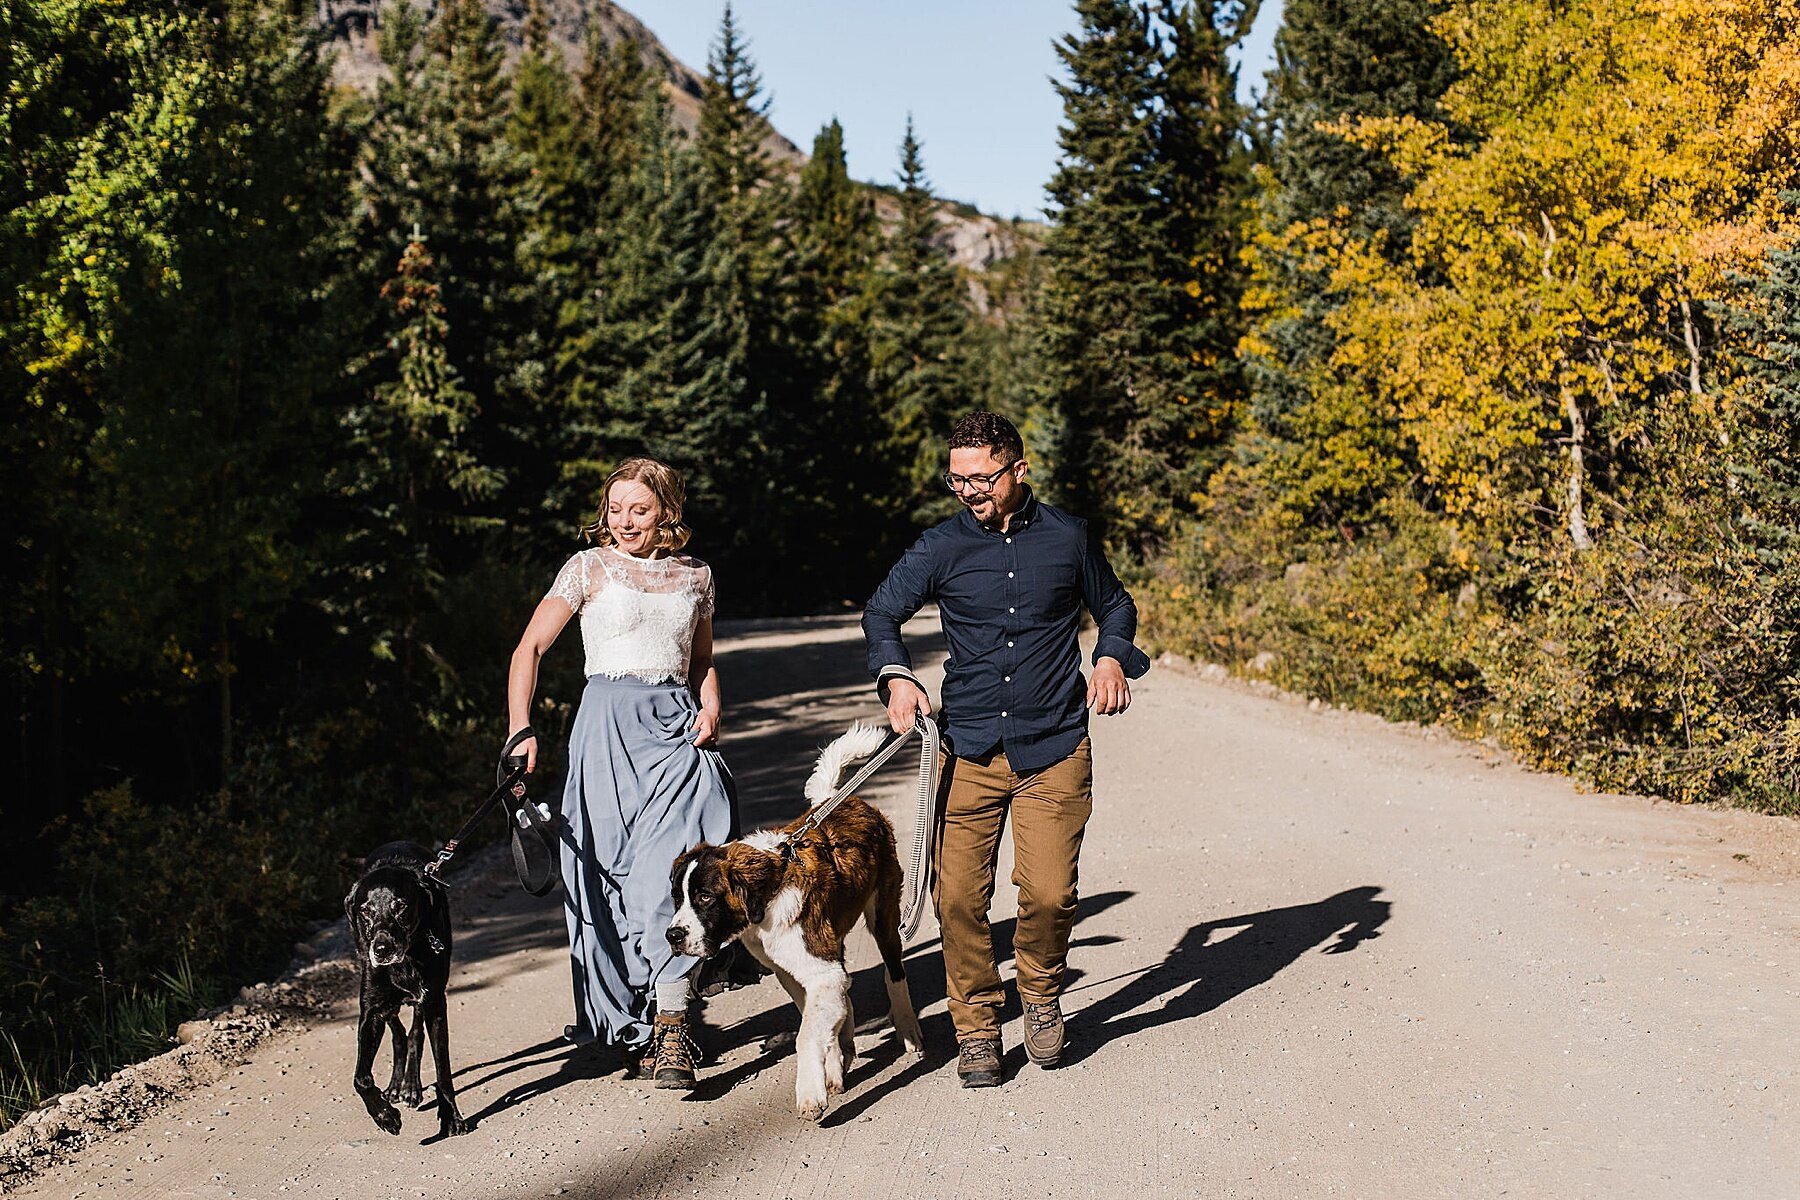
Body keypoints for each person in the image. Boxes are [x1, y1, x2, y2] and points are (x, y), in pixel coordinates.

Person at [862, 411, 1149, 1087]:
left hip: (1053, 744)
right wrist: (897, 675)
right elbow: (881, 613)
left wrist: (1110, 659)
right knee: (958, 899)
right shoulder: (939, 547)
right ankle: (977, 1028)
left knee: (1049, 893)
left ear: (1019, 470)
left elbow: (1116, 605)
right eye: (957, 479)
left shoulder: (1069, 537)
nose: (968, 491)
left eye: (982, 477)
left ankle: (1042, 997)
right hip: (967, 750)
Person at [507, 457, 731, 1090]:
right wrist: (519, 726)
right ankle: (638, 1023)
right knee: (607, 887)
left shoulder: (696, 577)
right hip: (603, 738)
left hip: (675, 733)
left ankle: (674, 1027)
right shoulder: (588, 569)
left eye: (640, 508)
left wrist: (711, 706)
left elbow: (702, 662)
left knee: (670, 875)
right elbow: (528, 648)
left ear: (667, 511)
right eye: (615, 509)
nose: (626, 521)